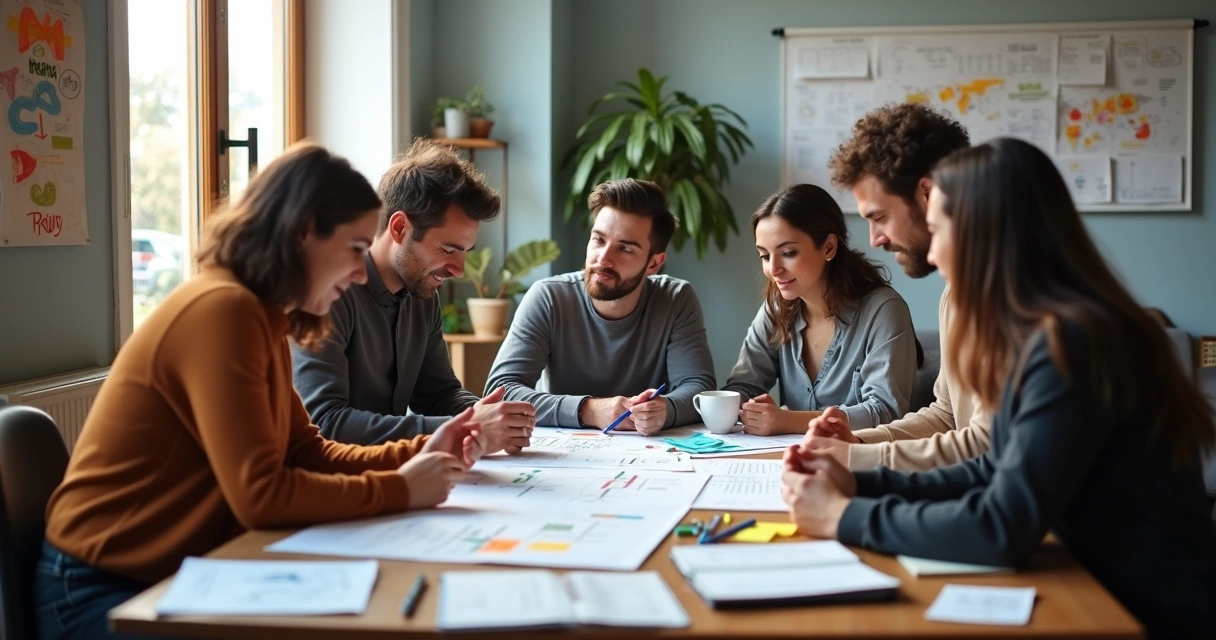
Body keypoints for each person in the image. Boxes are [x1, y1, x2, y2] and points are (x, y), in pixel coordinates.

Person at [35, 144, 486, 640]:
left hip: (174, 571)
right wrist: (402, 487)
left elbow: (303, 450)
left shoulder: (263, 314)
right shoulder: (222, 310)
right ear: (302, 235)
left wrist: (422, 449)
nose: (361, 273)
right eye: (355, 250)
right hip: (102, 587)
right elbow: (261, 496)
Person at [781, 138, 1216, 639]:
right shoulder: (1044, 331)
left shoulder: (1074, 342)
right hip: (1095, 587)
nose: (936, 251)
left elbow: (1002, 526)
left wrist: (844, 516)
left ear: (985, 234)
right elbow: (994, 468)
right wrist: (860, 483)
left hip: (1147, 612)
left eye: (940, 229)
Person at [291, 139, 534, 453]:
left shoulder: (423, 294)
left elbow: (438, 394)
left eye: (464, 252)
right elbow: (325, 423)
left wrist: (489, 416)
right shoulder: (329, 293)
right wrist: (466, 429)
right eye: (448, 249)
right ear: (400, 228)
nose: (459, 271)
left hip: (381, 471)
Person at [807, 103, 987, 471]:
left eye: (879, 217)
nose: (874, 239)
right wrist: (856, 440)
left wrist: (856, 457)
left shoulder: (1012, 299)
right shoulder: (954, 296)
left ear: (926, 194)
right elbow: (947, 416)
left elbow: (986, 442)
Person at [485, 178, 715, 433]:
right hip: (562, 455)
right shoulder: (549, 297)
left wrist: (665, 410)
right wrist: (590, 410)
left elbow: (698, 387)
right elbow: (501, 392)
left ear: (653, 263)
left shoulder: (675, 299)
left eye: (625, 249)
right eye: (598, 239)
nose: (603, 258)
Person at [722, 184, 917, 436]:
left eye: (788, 253)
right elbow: (744, 384)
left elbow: (886, 410)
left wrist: (787, 420)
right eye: (764, 256)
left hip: (859, 463)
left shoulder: (884, 311)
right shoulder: (776, 308)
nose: (774, 269)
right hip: (791, 460)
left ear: (828, 247)